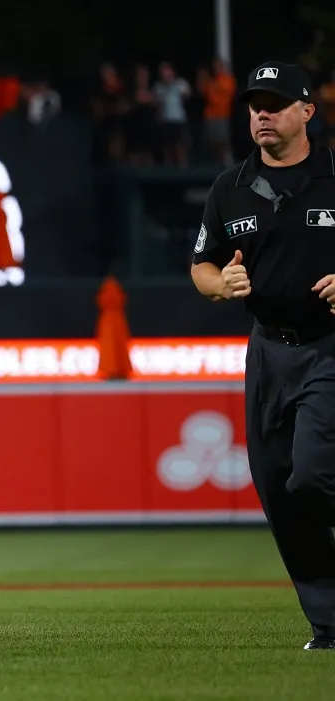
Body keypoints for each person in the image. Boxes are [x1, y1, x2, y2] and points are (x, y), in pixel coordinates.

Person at [190, 61, 335, 651]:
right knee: (276, 486)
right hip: (268, 349)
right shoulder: (231, 186)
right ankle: (330, 623)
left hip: (328, 345)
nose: (261, 114)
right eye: (254, 105)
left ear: (308, 111)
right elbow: (201, 265)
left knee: (313, 473)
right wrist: (219, 283)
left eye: (275, 103)